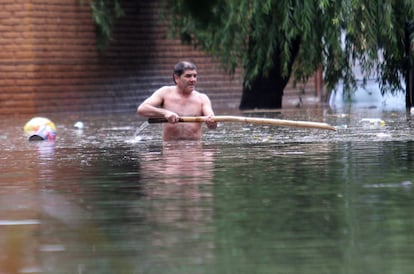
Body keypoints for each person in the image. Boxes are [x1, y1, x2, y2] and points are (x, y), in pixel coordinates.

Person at [137, 61, 217, 141]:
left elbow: (212, 125)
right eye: (188, 76)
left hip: (194, 150)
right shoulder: (165, 92)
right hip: (170, 149)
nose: (193, 79)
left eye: (195, 76)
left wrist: (212, 122)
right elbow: (142, 109)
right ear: (176, 78)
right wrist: (165, 113)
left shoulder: (202, 98)